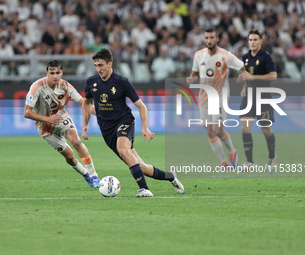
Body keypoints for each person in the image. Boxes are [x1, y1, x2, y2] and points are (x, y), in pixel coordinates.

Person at [82, 49, 185, 197]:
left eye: (101, 65)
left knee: (123, 150)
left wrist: (144, 127)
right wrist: (85, 123)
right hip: (107, 129)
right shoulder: (91, 82)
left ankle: (144, 189)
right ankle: (171, 177)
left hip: (125, 121)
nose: (98, 69)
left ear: (110, 64)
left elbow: (141, 106)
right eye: (96, 65)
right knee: (141, 167)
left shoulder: (122, 82)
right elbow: (87, 102)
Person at [24, 60, 100, 188]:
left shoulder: (66, 86)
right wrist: (48, 119)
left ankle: (93, 175)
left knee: (76, 141)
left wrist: (104, 116)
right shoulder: (37, 87)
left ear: (62, 73)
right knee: (69, 156)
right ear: (47, 73)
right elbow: (27, 113)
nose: (55, 76)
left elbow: (84, 103)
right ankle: (85, 174)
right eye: (52, 73)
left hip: (60, 117)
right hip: (44, 125)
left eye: (57, 73)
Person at [186, 27, 246, 170]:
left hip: (219, 96)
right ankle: (224, 162)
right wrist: (191, 78)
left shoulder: (225, 56)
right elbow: (195, 72)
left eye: (212, 37)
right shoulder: (199, 55)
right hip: (204, 97)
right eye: (206, 38)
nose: (209, 40)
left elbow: (244, 67)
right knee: (209, 131)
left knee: (217, 130)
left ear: (217, 39)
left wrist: (244, 78)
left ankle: (232, 151)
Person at [237, 30, 277, 171]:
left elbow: (273, 76)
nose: (252, 42)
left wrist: (253, 78)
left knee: (266, 130)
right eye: (250, 40)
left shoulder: (266, 57)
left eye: (255, 40)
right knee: (244, 127)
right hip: (249, 97)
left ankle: (272, 157)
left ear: (261, 41)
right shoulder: (246, 57)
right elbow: (248, 74)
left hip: (263, 97)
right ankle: (249, 162)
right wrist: (245, 84)